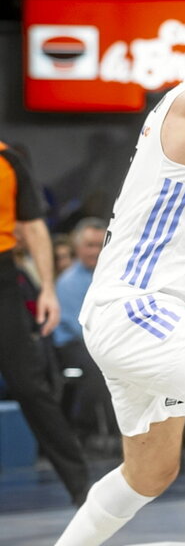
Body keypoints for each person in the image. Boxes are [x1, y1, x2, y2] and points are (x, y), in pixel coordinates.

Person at [0, 140, 89, 506]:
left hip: (3, 278)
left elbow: (34, 227)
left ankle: (83, 488)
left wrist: (49, 290)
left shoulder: (8, 159)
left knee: (31, 385)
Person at [53, 218, 117, 444]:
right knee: (98, 367)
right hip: (72, 343)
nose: (96, 251)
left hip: (107, 339)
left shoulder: (113, 275)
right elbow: (78, 327)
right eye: (90, 245)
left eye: (100, 245)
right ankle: (84, 430)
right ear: (77, 247)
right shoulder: (68, 282)